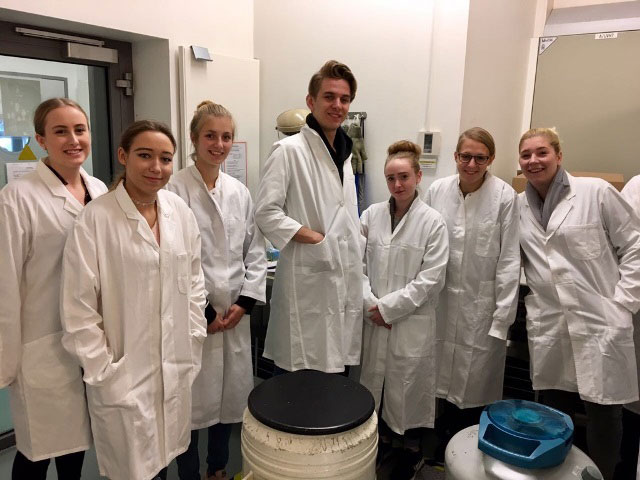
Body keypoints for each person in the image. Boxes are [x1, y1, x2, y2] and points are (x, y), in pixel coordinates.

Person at [60, 121, 207, 480]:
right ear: (123, 156)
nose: (156, 167)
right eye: (145, 155)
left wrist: (194, 334)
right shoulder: (96, 219)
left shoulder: (179, 212)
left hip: (174, 366)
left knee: (165, 459)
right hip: (123, 374)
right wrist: (104, 370)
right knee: (133, 469)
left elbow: (194, 282)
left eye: (166, 159)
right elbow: (78, 310)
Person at [518, 127, 640, 480]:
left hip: (599, 320)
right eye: (526, 155)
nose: (533, 160)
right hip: (550, 322)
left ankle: (601, 474)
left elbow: (634, 245)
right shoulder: (518, 205)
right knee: (554, 411)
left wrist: (623, 304)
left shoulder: (595, 192)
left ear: (558, 155)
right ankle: (557, 473)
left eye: (542, 152)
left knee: (603, 412)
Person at [0, 98, 107, 480]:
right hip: (41, 346)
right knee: (37, 451)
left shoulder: (99, 189)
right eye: (61, 131)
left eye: (80, 130)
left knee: (76, 444)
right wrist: (7, 360)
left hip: (89, 341)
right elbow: (5, 284)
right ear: (41, 140)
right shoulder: (17, 198)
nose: (73, 140)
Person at [168, 101, 266, 480]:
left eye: (226, 137)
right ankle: (189, 473)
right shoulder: (175, 189)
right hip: (195, 316)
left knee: (228, 400)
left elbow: (255, 249)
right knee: (191, 405)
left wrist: (245, 302)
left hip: (234, 316)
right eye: (210, 135)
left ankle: (218, 469)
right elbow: (175, 259)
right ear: (194, 139)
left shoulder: (239, 191)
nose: (219, 144)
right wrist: (205, 312)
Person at [254, 60, 363, 373]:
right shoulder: (288, 150)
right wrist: (314, 238)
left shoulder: (345, 155)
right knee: (300, 376)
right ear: (311, 101)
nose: (337, 105)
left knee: (334, 376)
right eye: (329, 97)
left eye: (344, 99)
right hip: (308, 280)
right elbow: (266, 212)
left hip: (340, 277)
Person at [424, 127, 520, 450]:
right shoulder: (437, 190)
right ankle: (436, 449)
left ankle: (467, 449)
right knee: (435, 378)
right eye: (466, 156)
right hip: (440, 302)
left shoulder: (504, 197)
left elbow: (509, 260)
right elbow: (423, 242)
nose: (472, 164)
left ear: (491, 159)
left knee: (474, 383)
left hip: (483, 308)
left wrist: (502, 317)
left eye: (480, 158)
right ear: (455, 156)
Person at [360, 140, 448, 479]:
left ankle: (408, 455)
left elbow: (431, 280)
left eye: (404, 177)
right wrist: (371, 304)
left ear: (418, 176)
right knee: (377, 390)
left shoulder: (433, 222)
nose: (397, 184)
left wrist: (389, 310)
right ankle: (380, 447)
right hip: (374, 318)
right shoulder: (371, 216)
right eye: (391, 178)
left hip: (409, 322)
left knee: (407, 391)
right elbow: (354, 265)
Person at [616, 175, 640, 479]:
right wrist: (623, 303)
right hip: (636, 307)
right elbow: (626, 246)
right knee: (632, 404)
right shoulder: (637, 186)